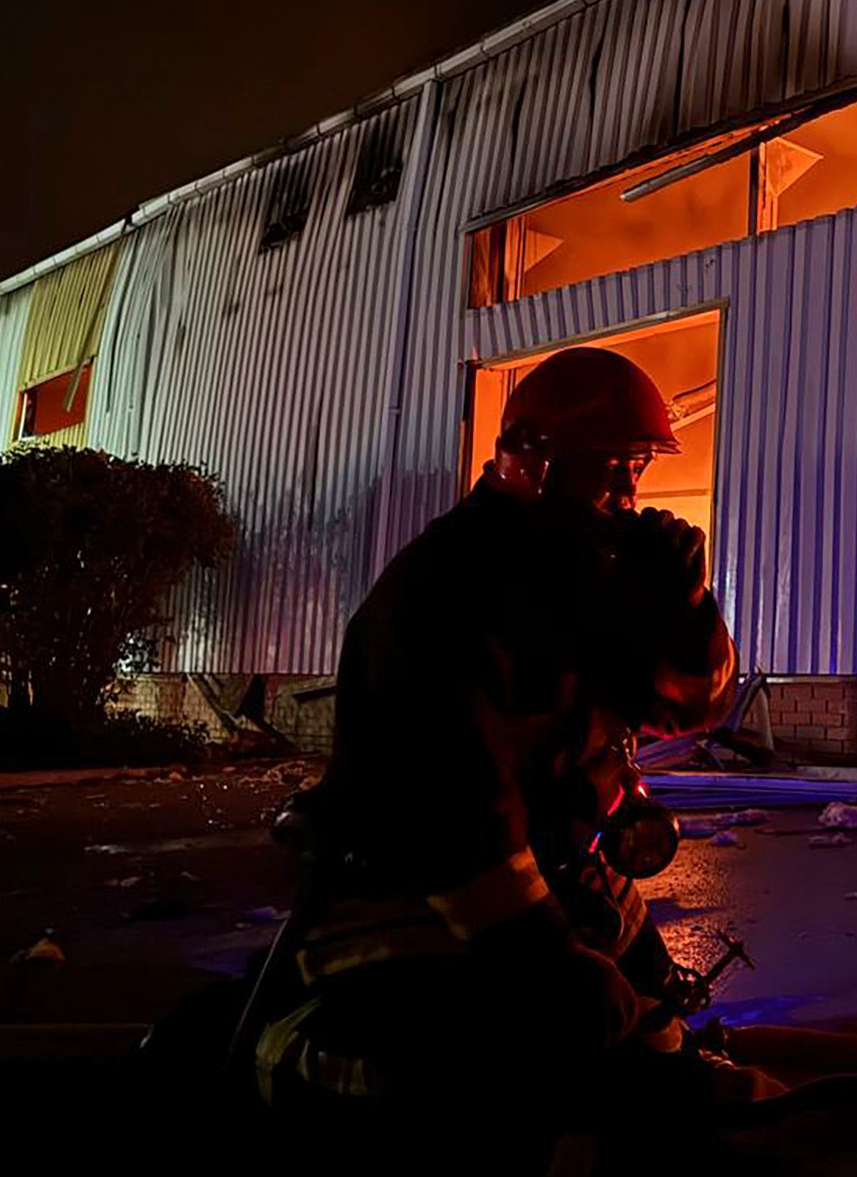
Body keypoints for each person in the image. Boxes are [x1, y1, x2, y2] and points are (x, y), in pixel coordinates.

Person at [248, 346, 779, 1148]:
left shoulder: (587, 578)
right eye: (607, 468)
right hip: (408, 900)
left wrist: (687, 604)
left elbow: (692, 708)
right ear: (534, 463)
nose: (628, 493)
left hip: (559, 871)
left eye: (634, 467)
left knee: (664, 1056)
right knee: (492, 1090)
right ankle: (289, 1060)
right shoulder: (442, 589)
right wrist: (545, 961)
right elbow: (458, 812)